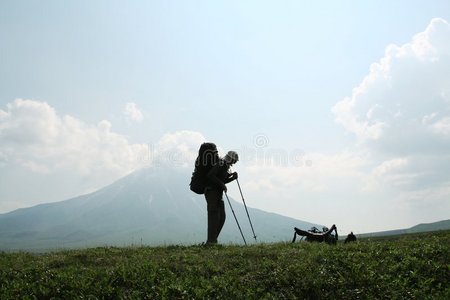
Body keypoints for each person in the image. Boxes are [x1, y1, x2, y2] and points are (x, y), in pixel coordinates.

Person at [204, 150, 239, 245]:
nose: (234, 163)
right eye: (234, 160)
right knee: (214, 217)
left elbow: (223, 180)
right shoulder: (220, 163)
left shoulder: (225, 166)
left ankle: (213, 240)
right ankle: (211, 242)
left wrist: (232, 178)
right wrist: (222, 184)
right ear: (231, 158)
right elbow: (210, 175)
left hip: (218, 193)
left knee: (222, 217)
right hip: (211, 192)